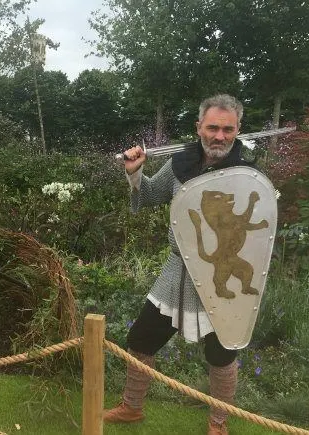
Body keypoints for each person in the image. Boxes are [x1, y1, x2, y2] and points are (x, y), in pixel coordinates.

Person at [104, 94, 259, 435]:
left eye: (227, 129)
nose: (220, 136)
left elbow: (257, 227)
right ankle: (131, 408)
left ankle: (218, 425)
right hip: (178, 269)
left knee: (222, 353)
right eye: (213, 127)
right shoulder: (180, 163)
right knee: (141, 339)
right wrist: (135, 173)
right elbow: (148, 196)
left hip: (223, 274)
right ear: (199, 128)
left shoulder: (247, 174)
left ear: (238, 130)